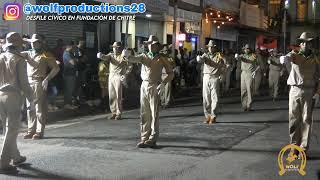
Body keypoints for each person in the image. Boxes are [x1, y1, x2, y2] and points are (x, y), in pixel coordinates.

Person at [124, 35, 173, 148]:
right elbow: (133, 59)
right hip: (144, 85)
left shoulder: (162, 58)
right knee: (144, 113)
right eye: (149, 44)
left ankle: (153, 138)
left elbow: (171, 73)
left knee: (154, 113)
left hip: (155, 85)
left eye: (153, 44)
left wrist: (162, 83)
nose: (151, 46)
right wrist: (127, 55)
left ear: (157, 46)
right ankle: (144, 138)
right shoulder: (143, 56)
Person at [280, 32, 320, 157]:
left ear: (311, 44)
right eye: (302, 42)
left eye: (307, 42)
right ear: (300, 44)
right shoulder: (295, 55)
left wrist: (318, 92)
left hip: (309, 91)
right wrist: (284, 59)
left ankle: (303, 149)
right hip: (295, 90)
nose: (304, 44)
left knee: (306, 120)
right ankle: (294, 147)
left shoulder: (316, 58)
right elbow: (288, 57)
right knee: (294, 120)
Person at [0, 32, 35, 174]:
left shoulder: (0, 57)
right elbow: (24, 83)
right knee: (12, 130)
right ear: (18, 45)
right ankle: (3, 162)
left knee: (7, 128)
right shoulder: (19, 59)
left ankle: (16, 157)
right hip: (13, 96)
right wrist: (31, 100)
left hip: (0, 95)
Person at [21, 34, 60, 140]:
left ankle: (39, 131)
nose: (34, 44)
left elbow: (56, 68)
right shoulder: (27, 53)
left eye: (36, 42)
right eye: (32, 42)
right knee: (30, 108)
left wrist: (47, 79)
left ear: (41, 43)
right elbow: (14, 54)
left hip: (39, 82)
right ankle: (30, 130)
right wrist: (22, 41)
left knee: (39, 108)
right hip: (28, 82)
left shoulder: (46, 55)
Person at [97, 42, 132, 120]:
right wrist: (101, 56)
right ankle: (113, 112)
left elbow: (130, 66)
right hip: (111, 76)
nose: (115, 49)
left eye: (116, 47)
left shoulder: (123, 56)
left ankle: (119, 113)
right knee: (112, 96)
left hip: (119, 76)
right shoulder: (111, 55)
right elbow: (105, 57)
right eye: (114, 47)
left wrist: (126, 74)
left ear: (120, 48)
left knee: (118, 95)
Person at [196, 40, 228, 124]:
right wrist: (199, 58)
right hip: (206, 77)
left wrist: (222, 74)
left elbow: (226, 63)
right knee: (206, 98)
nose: (210, 48)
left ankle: (213, 116)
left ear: (214, 47)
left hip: (215, 77)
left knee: (215, 98)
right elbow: (201, 60)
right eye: (209, 47)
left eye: (212, 47)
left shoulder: (219, 55)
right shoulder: (205, 55)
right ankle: (207, 116)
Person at [235, 44, 258, 111]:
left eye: (248, 48)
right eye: (245, 49)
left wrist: (254, 71)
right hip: (243, 73)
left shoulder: (253, 55)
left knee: (249, 90)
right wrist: (237, 57)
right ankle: (244, 105)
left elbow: (250, 61)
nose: (246, 50)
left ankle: (249, 106)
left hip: (249, 73)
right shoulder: (242, 55)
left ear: (250, 49)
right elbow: (238, 58)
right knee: (243, 90)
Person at [63, 43, 78, 109]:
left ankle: (70, 103)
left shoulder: (71, 53)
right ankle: (67, 104)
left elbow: (74, 61)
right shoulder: (67, 54)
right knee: (69, 89)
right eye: (73, 48)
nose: (74, 49)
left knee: (71, 89)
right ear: (69, 47)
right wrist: (76, 60)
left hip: (72, 73)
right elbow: (73, 62)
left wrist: (75, 60)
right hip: (68, 74)